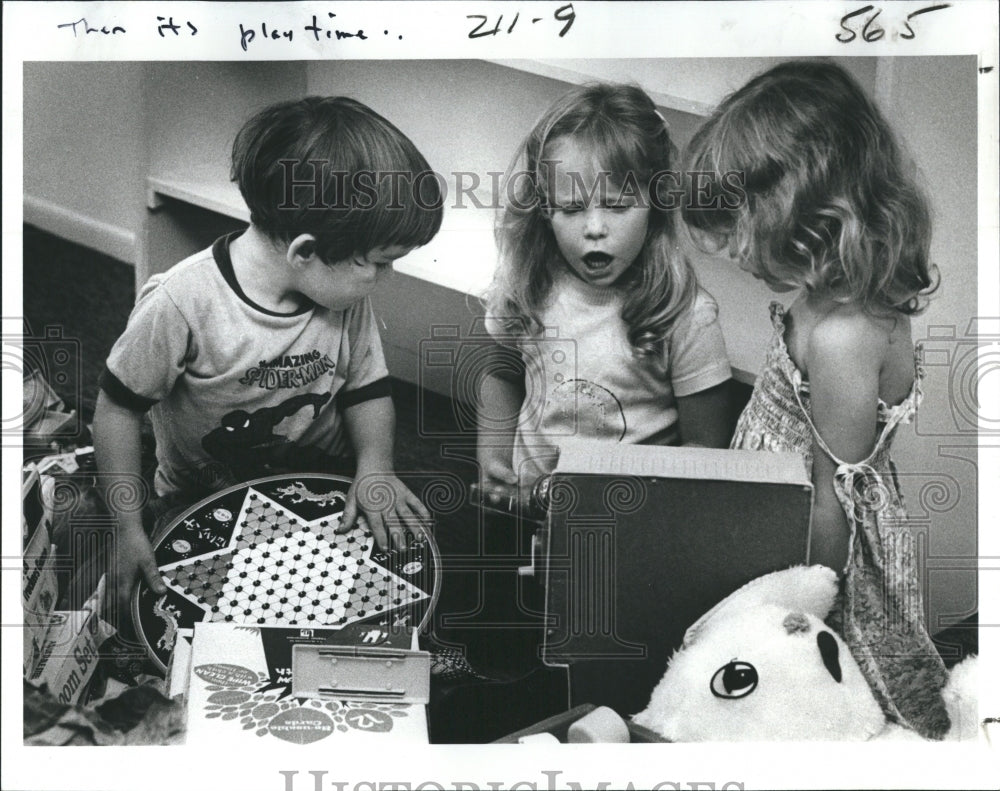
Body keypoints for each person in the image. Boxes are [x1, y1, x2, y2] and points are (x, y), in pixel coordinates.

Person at [94, 96, 443, 619]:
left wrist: (376, 467)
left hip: (322, 481)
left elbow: (368, 389)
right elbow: (117, 410)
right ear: (304, 252)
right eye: (379, 264)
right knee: (193, 616)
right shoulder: (180, 302)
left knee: (402, 573)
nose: (385, 278)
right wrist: (126, 527)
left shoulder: (344, 298)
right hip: (202, 496)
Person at [684, 60, 949, 738]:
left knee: (826, 699)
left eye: (742, 238)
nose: (733, 255)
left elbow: (834, 504)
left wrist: (800, 603)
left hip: (815, 549)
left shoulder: (842, 337)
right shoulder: (831, 293)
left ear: (806, 214)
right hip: (779, 511)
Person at [478, 83, 733, 505]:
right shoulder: (525, 286)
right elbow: (500, 375)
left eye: (617, 206)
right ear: (544, 209)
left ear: (656, 204)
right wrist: (491, 457)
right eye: (573, 208)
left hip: (629, 519)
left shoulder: (687, 316)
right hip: (523, 509)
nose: (594, 228)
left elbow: (705, 449)